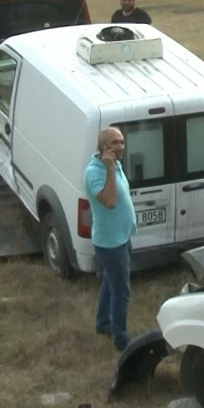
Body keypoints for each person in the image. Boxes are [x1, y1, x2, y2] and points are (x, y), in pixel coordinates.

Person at [84, 127, 138, 352]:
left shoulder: (116, 166)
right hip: (110, 244)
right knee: (121, 291)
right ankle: (121, 339)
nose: (120, 147)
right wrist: (108, 169)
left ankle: (103, 323)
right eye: (114, 143)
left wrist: (112, 167)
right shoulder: (95, 172)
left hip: (122, 237)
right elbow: (110, 201)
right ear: (102, 147)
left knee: (110, 281)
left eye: (122, 142)